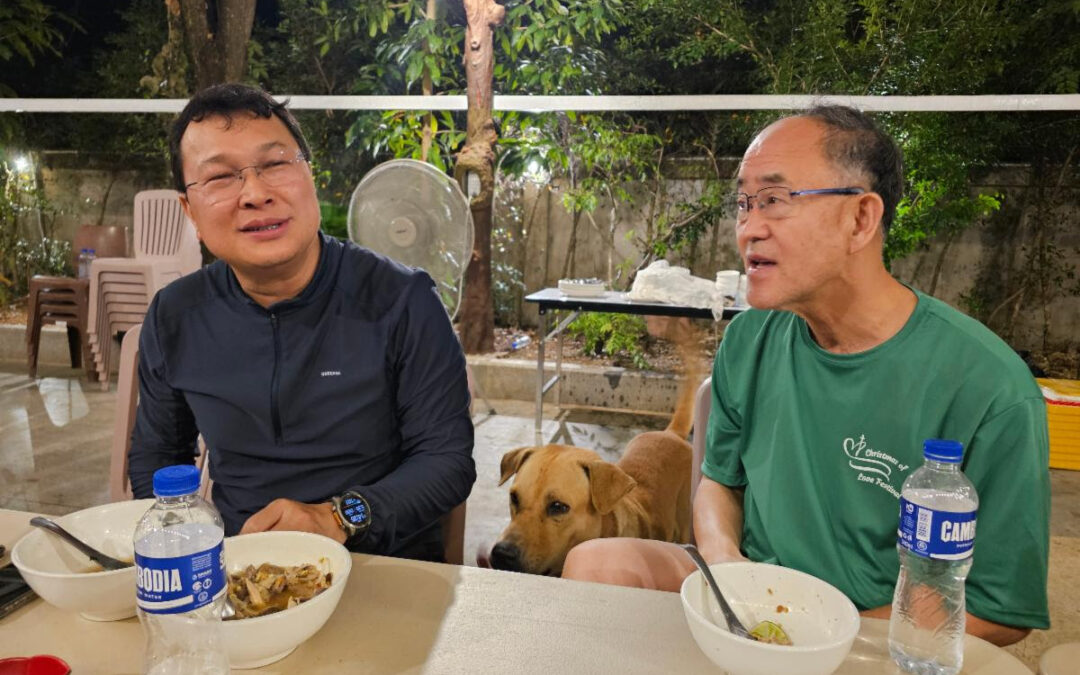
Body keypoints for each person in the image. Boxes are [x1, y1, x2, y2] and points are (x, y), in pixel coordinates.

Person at [560, 105, 1050, 646]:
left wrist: (821, 638)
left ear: (861, 218)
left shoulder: (989, 388)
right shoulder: (749, 340)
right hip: (752, 595)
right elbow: (720, 482)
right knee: (597, 567)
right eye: (744, 204)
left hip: (878, 631)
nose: (749, 229)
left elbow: (999, 610)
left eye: (774, 200)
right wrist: (729, 572)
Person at [127, 83, 475, 562]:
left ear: (309, 174)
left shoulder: (402, 300)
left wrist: (338, 518)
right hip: (237, 566)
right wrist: (188, 547)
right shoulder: (175, 315)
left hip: (380, 564)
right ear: (189, 210)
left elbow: (446, 461)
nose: (255, 193)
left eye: (274, 164)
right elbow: (157, 457)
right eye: (220, 178)